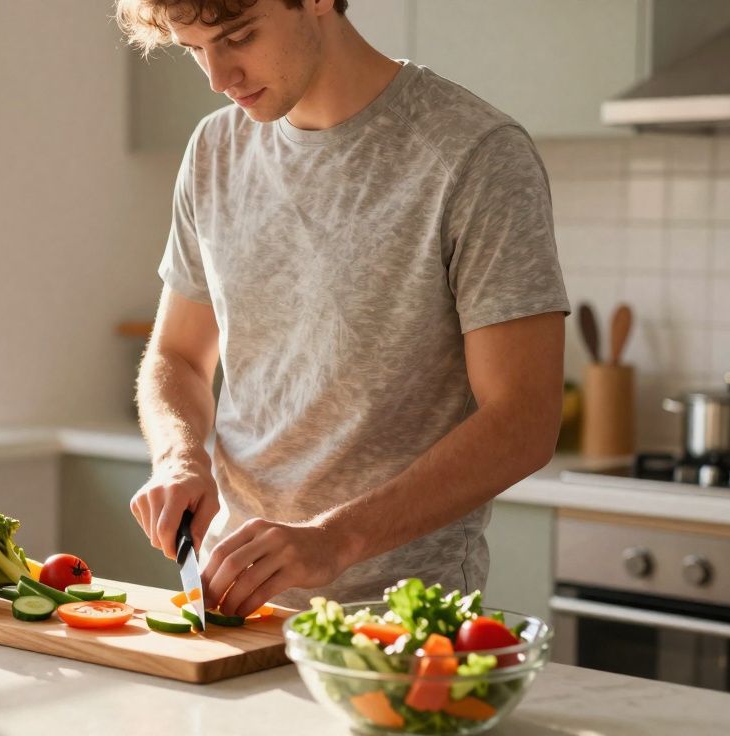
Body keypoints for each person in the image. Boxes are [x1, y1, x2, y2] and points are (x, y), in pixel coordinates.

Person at [115, 0, 570, 617]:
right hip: (232, 601)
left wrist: (333, 541)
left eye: (239, 37)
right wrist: (178, 455)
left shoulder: (476, 154)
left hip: (403, 617)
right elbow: (177, 355)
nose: (219, 78)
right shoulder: (214, 150)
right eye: (194, 50)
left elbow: (525, 418)